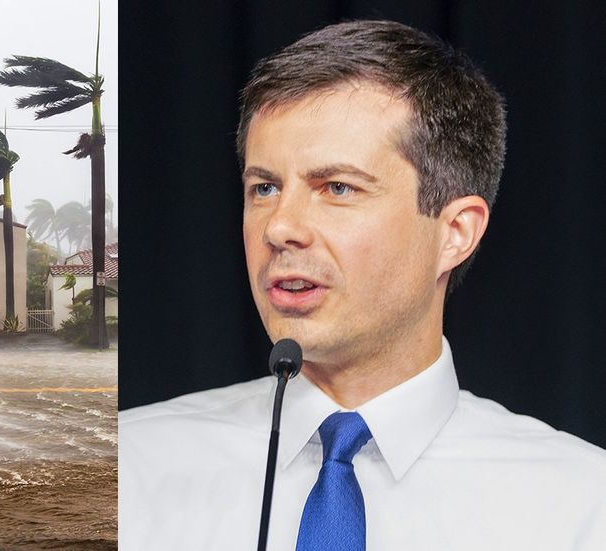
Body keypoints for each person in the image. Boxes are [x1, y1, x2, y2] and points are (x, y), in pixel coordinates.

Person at [118, 20, 606, 550]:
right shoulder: (127, 467)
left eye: (337, 187)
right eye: (264, 187)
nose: (279, 227)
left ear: (455, 232)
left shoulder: (581, 506)